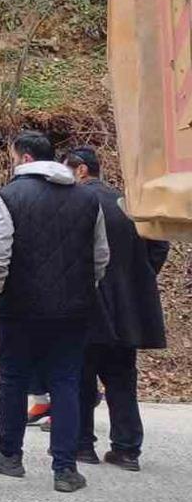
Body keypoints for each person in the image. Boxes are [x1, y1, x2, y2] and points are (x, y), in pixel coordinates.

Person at [0, 131, 109, 494]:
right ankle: (65, 468)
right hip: (74, 308)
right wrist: (85, 288)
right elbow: (100, 256)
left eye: (14, 155)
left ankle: (9, 453)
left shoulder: (9, 197)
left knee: (14, 378)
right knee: (66, 381)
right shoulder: (87, 198)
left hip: (21, 306)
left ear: (25, 158)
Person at [63, 146, 170, 472]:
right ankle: (127, 449)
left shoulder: (76, 203)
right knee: (122, 377)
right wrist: (140, 276)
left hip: (87, 302)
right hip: (128, 306)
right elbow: (159, 242)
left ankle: (82, 444)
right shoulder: (129, 203)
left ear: (81, 170)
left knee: (81, 376)